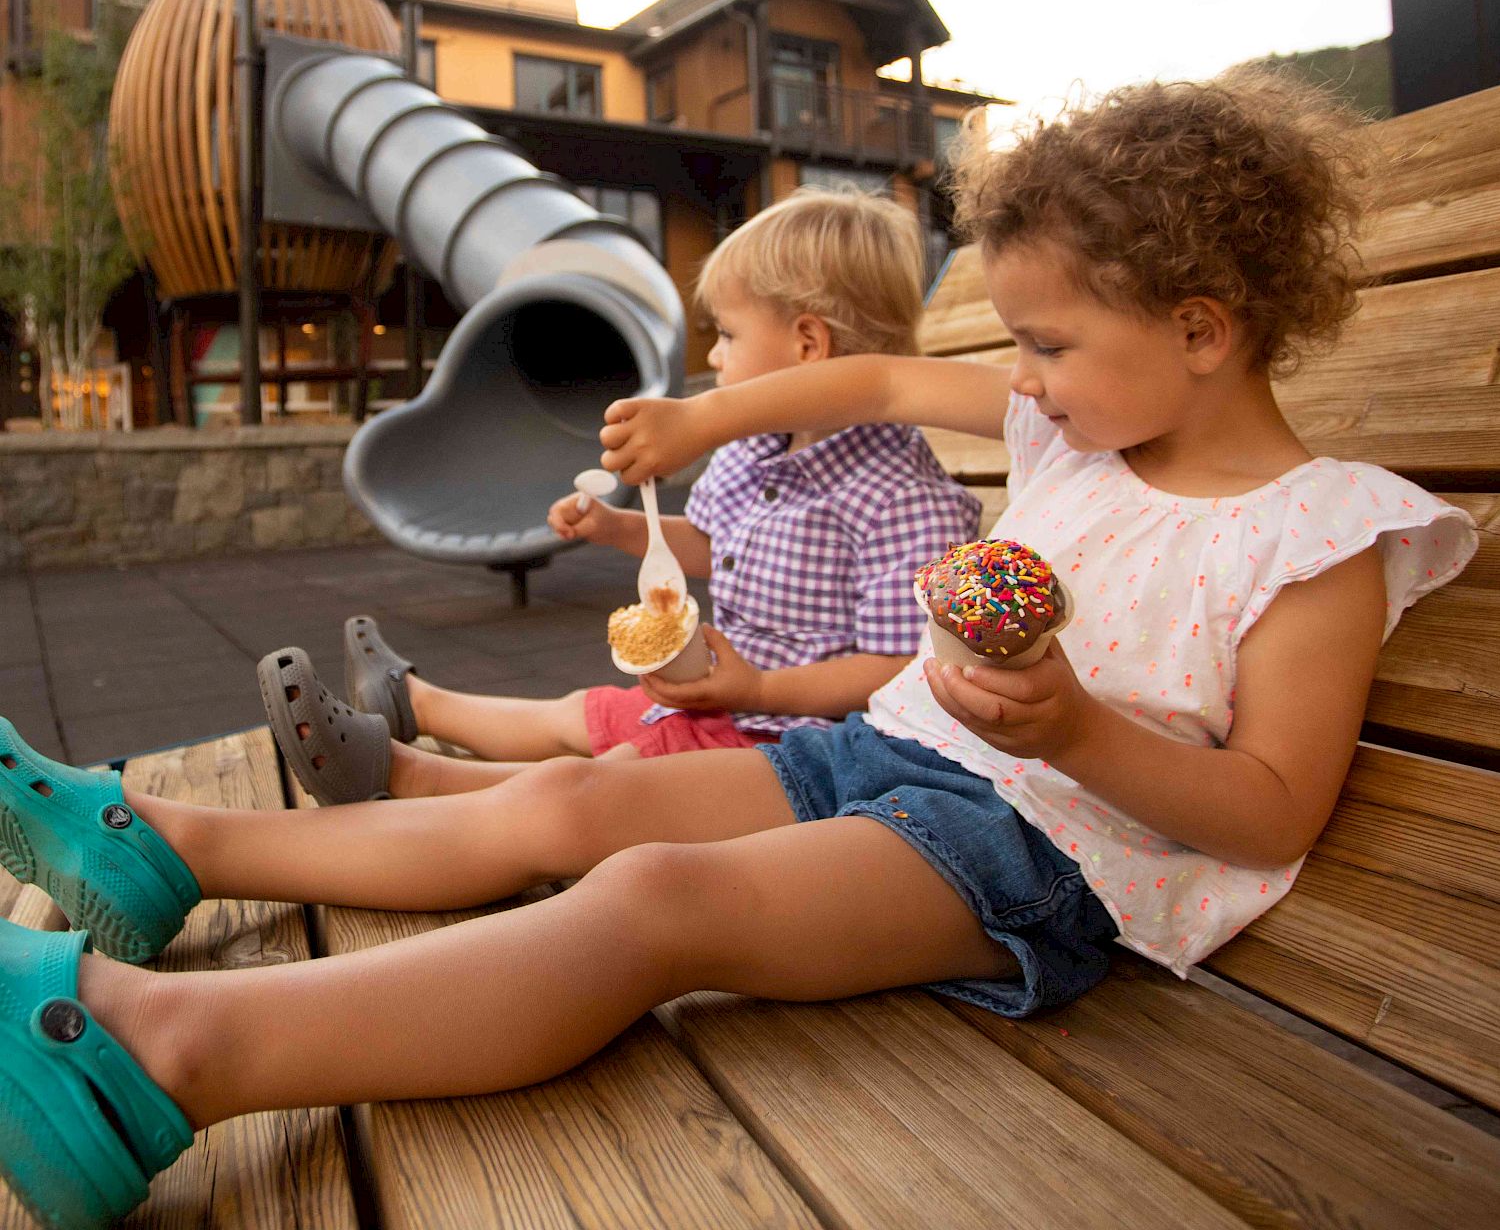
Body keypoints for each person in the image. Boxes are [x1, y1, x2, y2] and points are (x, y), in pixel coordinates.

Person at [0, 71, 1475, 1229]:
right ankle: (161, 842)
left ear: (1204, 328)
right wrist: (710, 416)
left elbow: (1277, 806)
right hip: (894, 748)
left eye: (1046, 343)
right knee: (576, 807)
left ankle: (162, 1055)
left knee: (651, 904)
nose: (1017, 380)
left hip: (1047, 855)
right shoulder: (1076, 430)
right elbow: (888, 369)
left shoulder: (1316, 536)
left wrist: (1077, 734)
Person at [268, 189, 980, 807]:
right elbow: (710, 546)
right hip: (721, 700)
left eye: (728, 335)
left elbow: (897, 666)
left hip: (791, 745)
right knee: (582, 714)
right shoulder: (760, 452)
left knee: (607, 777)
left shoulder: (901, 498)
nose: (714, 357)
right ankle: (412, 701)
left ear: (807, 344)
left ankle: (394, 773)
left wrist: (760, 690)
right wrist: (615, 529)